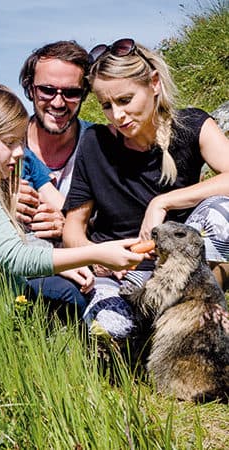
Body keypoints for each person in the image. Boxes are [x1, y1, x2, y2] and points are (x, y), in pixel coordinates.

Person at [0, 84, 145, 321]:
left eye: (20, 141)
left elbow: (16, 242)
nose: (21, 151)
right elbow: (16, 257)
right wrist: (96, 253)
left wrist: (62, 263)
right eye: (10, 142)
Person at [63, 38, 229, 340]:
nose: (117, 115)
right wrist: (99, 255)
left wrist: (161, 202)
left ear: (153, 83)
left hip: (182, 268)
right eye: (106, 105)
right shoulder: (94, 143)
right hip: (121, 274)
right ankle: (159, 332)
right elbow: (72, 229)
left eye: (125, 100)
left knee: (222, 211)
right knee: (113, 329)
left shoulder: (192, 126)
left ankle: (197, 312)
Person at [16, 40, 94, 317]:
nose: (58, 102)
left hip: (84, 268)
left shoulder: (100, 145)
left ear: (85, 93)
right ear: (29, 88)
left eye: (72, 93)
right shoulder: (5, 146)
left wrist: (74, 224)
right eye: (47, 90)